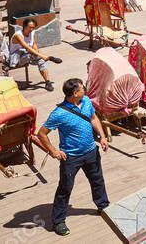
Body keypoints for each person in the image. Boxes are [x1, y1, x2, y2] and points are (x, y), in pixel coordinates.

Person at [37, 78, 109, 237]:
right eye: (83, 88)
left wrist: (102, 136)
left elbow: (93, 118)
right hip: (71, 158)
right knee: (65, 188)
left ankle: (103, 206)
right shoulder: (59, 114)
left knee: (97, 180)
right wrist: (53, 151)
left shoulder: (86, 101)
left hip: (91, 151)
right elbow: (41, 134)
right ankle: (58, 221)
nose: (85, 90)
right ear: (75, 93)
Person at [9, 18, 54, 91]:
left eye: (33, 27)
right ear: (24, 26)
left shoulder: (32, 33)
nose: (31, 29)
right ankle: (48, 59)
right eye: (30, 27)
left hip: (27, 55)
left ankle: (47, 82)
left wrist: (39, 55)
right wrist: (42, 56)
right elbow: (27, 48)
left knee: (41, 60)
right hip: (17, 58)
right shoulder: (18, 35)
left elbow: (34, 44)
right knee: (38, 56)